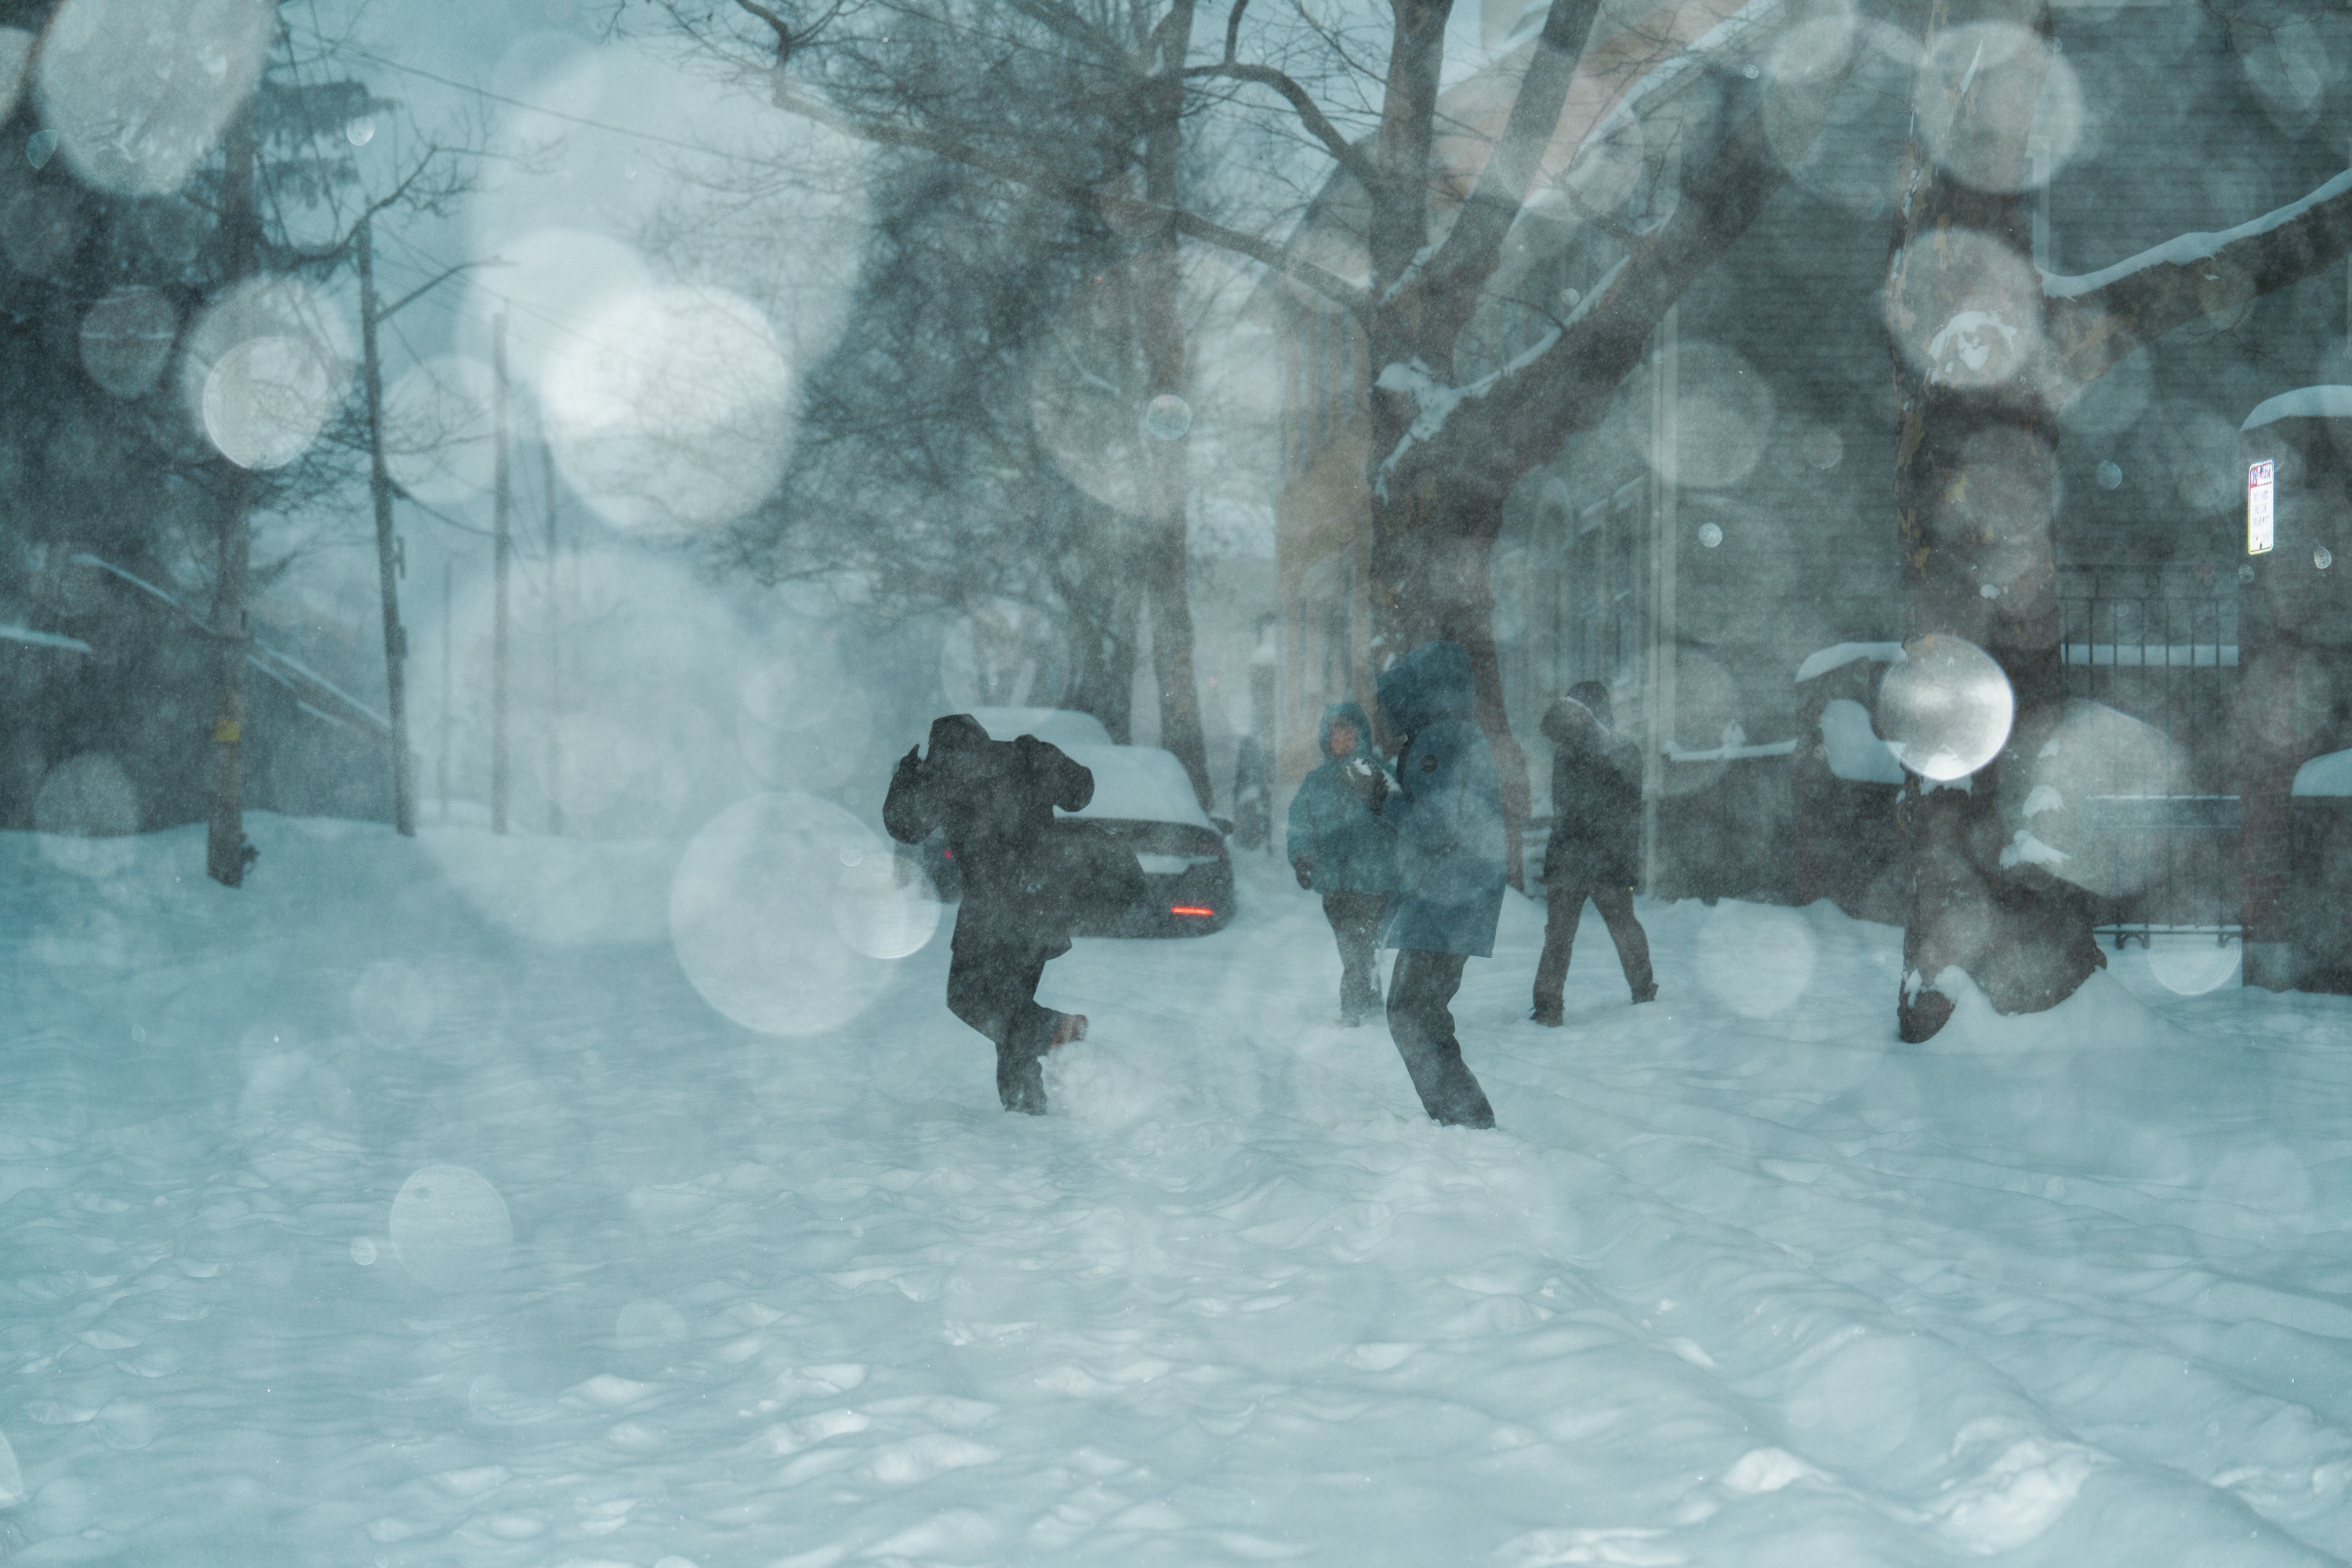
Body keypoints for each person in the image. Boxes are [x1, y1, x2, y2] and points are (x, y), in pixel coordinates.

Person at [884, 714, 1095, 1114]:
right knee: (1009, 1009)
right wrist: (1044, 755)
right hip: (1041, 909)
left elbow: (904, 827)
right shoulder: (1021, 759)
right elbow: (1081, 792)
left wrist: (907, 775)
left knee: (968, 999)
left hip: (994, 912)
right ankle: (1025, 1107)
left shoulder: (944, 777)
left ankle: (1054, 1029)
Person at [1372, 641, 1504, 1128]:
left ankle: (1466, 1120)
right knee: (1422, 1012)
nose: (1388, 713)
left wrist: (1379, 799)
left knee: (1410, 1012)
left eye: (1394, 700)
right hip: (1454, 900)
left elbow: (1438, 827)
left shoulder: (1440, 740)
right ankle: (1463, 1119)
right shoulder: (1452, 735)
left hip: (1447, 901)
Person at [1531, 681, 1656, 1025]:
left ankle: (1549, 1007)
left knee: (1579, 933)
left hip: (1591, 859)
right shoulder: (1577, 752)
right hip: (1593, 858)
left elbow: (1620, 804)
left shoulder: (1613, 751)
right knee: (1570, 933)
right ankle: (1549, 1007)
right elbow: (1591, 806)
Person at [1285, 701, 1399, 1025]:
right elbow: (1299, 824)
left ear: (1362, 735)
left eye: (1350, 734)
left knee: (1358, 944)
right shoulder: (1316, 782)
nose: (1344, 740)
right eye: (1337, 734)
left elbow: (1402, 818)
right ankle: (1370, 996)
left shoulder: (1378, 773)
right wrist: (1302, 857)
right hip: (1333, 881)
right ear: (1326, 739)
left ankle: (1353, 1007)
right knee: (1351, 944)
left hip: (1375, 879)